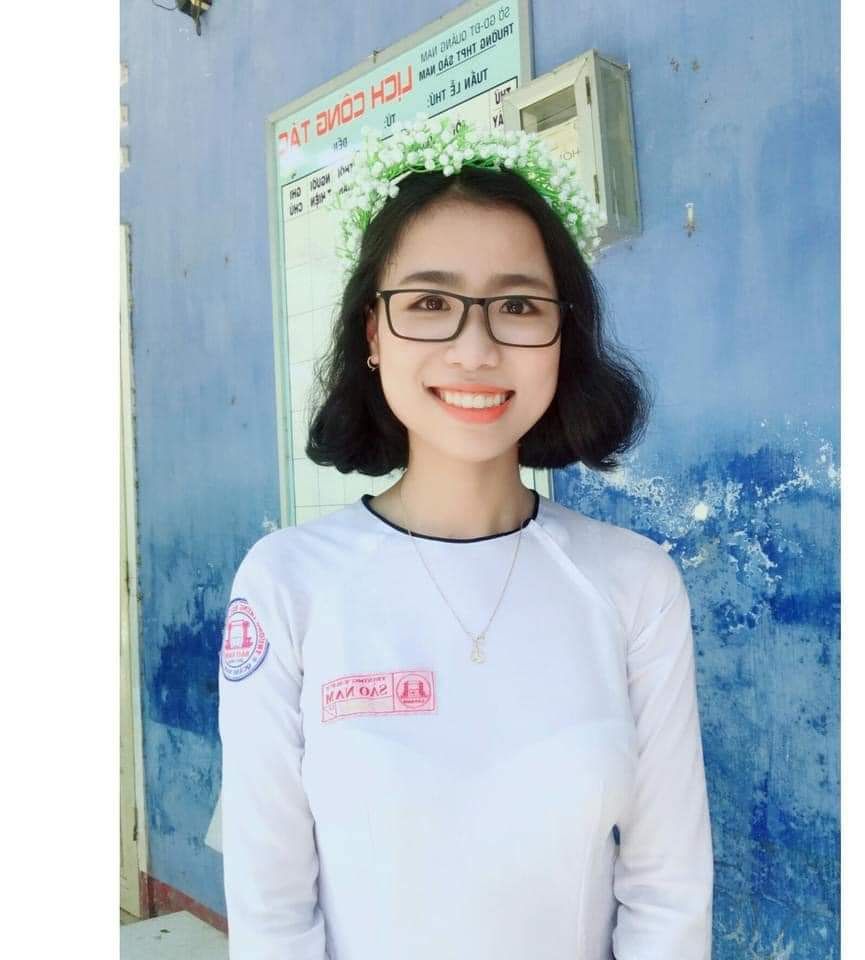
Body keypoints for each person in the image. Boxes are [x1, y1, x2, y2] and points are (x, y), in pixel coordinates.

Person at [218, 115, 713, 960]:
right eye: (430, 304)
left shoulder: (634, 584)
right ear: (373, 334)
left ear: (562, 335)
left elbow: (667, 893)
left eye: (517, 305)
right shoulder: (287, 584)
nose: (475, 349)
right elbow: (272, 914)